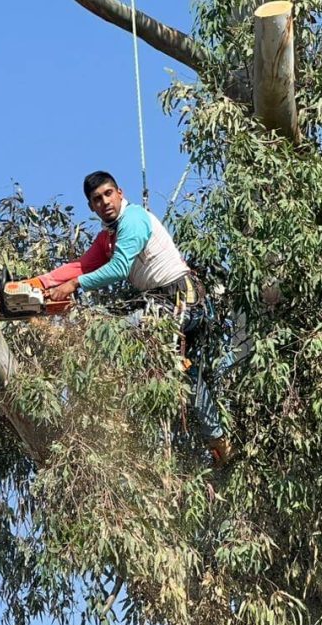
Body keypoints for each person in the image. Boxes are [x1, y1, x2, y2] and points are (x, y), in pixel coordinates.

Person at [35, 171, 231, 464]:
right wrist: (38, 284)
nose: (104, 202)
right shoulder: (107, 238)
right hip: (167, 307)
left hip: (181, 301)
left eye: (108, 194)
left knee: (105, 330)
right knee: (184, 370)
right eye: (97, 199)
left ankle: (124, 426)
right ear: (91, 207)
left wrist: (74, 286)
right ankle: (218, 439)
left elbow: (117, 269)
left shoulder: (134, 219)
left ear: (120, 192)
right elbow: (80, 266)